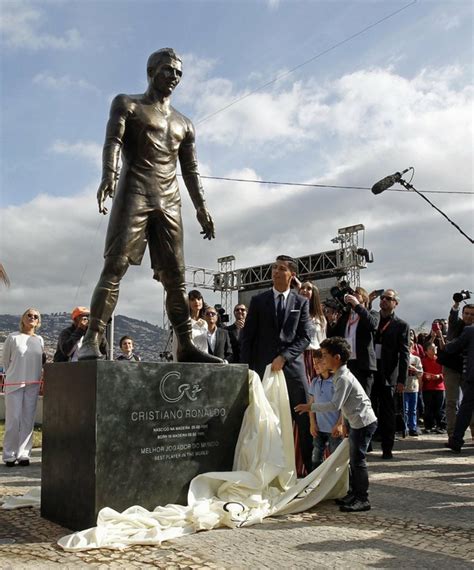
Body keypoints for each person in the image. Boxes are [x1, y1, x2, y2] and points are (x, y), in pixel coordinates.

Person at [77, 48, 221, 364]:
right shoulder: (127, 104)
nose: (174, 77)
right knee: (115, 266)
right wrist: (108, 176)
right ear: (151, 71)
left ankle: (185, 344)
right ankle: (91, 340)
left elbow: (191, 170)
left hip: (170, 200)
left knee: (175, 280)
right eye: (168, 70)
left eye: (179, 72)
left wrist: (201, 207)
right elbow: (113, 142)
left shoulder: (185, 123)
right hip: (134, 192)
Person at [240, 255, 312, 473]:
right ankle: (263, 470)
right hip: (263, 371)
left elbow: (305, 337)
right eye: (274, 268)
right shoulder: (258, 301)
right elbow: (247, 338)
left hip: (292, 369)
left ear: (292, 275)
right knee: (263, 420)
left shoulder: (301, 302)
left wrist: (285, 357)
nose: (276, 272)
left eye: (281, 269)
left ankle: (310, 471)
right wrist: (248, 371)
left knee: (303, 420)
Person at [295, 337, 377, 512]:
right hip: (356, 422)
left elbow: (335, 405)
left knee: (358, 461)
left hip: (363, 423)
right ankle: (354, 494)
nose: (322, 360)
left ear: (337, 357)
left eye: (324, 355)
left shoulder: (343, 379)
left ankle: (363, 498)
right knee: (354, 460)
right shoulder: (339, 376)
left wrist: (310, 407)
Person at [2, 308, 45, 467]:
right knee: (13, 420)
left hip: (32, 385)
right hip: (14, 384)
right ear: (23, 318)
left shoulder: (39, 340)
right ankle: (9, 455)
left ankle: (24, 454)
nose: (32, 318)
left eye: (36, 316)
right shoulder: (13, 337)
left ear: (38, 321)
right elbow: (6, 361)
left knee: (28, 421)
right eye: (29, 315)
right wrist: (14, 375)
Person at [371, 289, 410, 459]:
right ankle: (367, 444)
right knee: (368, 408)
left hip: (388, 373)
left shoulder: (401, 325)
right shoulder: (373, 319)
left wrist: (402, 379)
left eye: (389, 298)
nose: (384, 300)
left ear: (396, 303)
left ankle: (387, 448)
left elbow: (405, 353)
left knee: (387, 412)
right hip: (370, 370)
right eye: (382, 298)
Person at [329, 287, 379, 396]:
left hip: (363, 365)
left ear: (364, 299)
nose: (353, 295)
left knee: (363, 399)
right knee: (347, 399)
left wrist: (357, 306)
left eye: (357, 293)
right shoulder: (346, 317)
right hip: (348, 364)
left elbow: (372, 325)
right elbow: (332, 335)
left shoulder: (372, 313)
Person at [437, 302, 474, 442]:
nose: (469, 317)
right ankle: (452, 434)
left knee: (469, 402)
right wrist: (456, 304)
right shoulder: (456, 324)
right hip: (451, 367)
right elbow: (453, 317)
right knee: (452, 401)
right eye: (466, 313)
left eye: (472, 314)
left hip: (468, 370)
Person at [308, 349, 344, 469]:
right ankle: (316, 483)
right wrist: (312, 423)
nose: (315, 366)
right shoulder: (314, 382)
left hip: (334, 430)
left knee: (336, 459)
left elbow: (344, 407)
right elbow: (311, 406)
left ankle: (341, 484)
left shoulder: (337, 381)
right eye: (314, 363)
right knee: (316, 457)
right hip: (319, 429)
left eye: (318, 362)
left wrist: (339, 424)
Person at [443, 324, 474, 453]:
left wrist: (447, 342)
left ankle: (456, 440)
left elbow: (451, 348)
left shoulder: (470, 331)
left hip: (473, 377)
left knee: (465, 410)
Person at [299, 282, 326, 384]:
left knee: (316, 385)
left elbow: (323, 340)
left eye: (308, 288)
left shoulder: (320, 318)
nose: (304, 290)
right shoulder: (294, 314)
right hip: (298, 355)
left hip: (314, 355)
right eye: (302, 288)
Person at [421, 343, 446, 433]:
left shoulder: (440, 360)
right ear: (426, 351)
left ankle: (441, 426)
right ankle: (428, 426)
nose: (434, 349)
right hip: (428, 388)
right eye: (431, 348)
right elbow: (421, 373)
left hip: (440, 387)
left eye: (434, 347)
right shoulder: (423, 361)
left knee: (440, 409)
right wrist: (425, 377)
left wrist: (439, 376)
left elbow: (445, 373)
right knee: (428, 408)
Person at [405, 339, 423, 436]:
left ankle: (413, 427)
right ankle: (405, 427)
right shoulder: (401, 358)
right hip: (404, 387)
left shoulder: (416, 359)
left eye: (410, 346)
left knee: (413, 409)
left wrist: (414, 369)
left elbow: (420, 373)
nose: (408, 348)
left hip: (414, 386)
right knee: (405, 409)